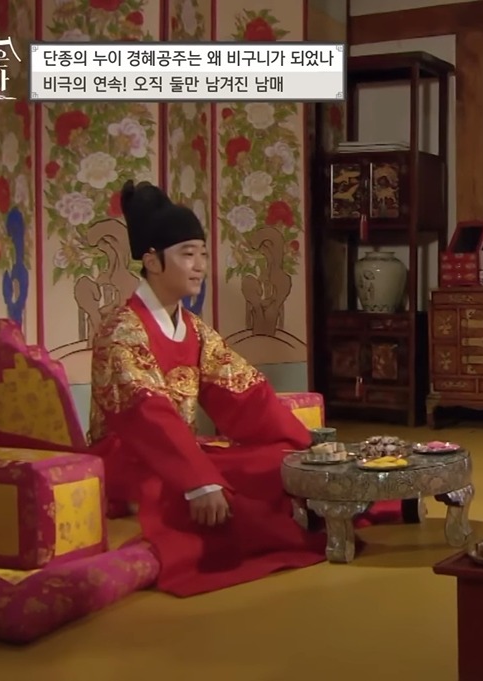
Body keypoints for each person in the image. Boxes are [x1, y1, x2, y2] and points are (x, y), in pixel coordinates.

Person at [89, 180, 397, 597]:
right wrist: (199, 481)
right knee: (224, 484)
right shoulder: (122, 331)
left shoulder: (193, 329)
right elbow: (147, 415)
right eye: (187, 254)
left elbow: (242, 392)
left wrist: (306, 447)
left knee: (277, 463)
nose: (199, 266)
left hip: (180, 452)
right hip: (130, 458)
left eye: (202, 254)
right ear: (152, 261)